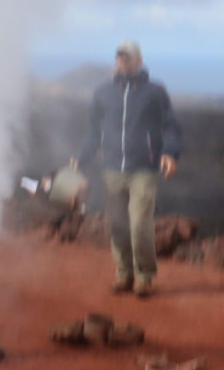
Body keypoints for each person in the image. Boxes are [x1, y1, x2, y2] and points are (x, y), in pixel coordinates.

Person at [71, 40, 182, 297]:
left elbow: (171, 127)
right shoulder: (102, 94)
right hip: (112, 168)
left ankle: (144, 276)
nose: (123, 62)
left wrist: (169, 153)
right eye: (119, 58)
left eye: (128, 58)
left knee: (140, 223)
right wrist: (81, 156)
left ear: (139, 61)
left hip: (144, 167)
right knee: (118, 225)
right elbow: (93, 132)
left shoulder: (155, 92)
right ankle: (124, 274)